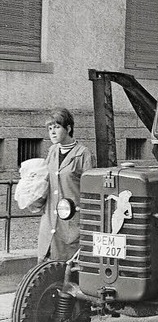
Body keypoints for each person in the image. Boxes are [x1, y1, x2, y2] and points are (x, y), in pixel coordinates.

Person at [37, 108, 95, 261]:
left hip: (71, 222)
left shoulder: (83, 154)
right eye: (50, 128)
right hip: (50, 220)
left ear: (68, 128)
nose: (52, 132)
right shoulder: (52, 151)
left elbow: (91, 192)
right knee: (45, 271)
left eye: (57, 127)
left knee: (68, 270)